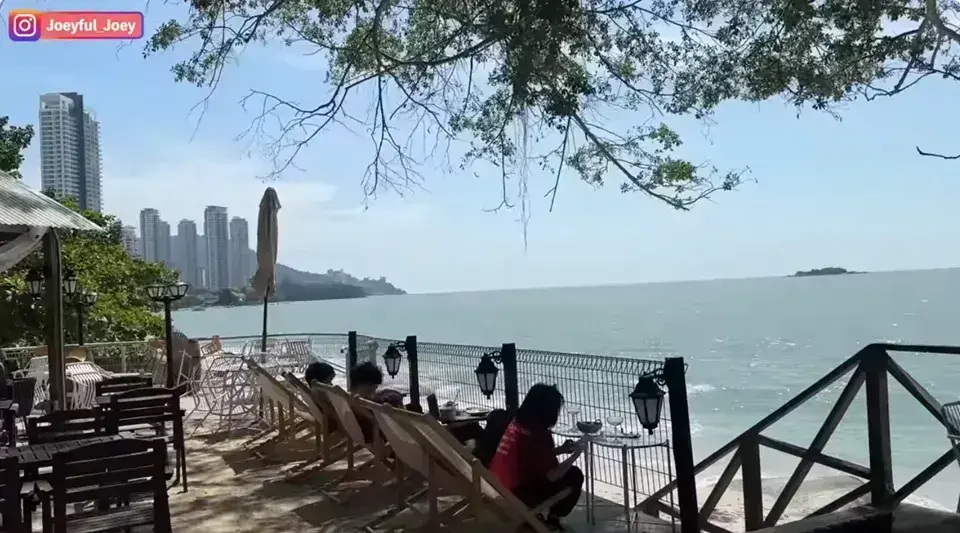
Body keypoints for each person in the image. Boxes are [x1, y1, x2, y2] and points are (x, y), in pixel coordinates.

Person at [490, 384, 585, 531]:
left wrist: (561, 450)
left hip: (501, 484)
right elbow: (552, 475)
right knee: (574, 475)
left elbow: (532, 457)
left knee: (562, 473)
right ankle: (553, 517)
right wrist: (576, 454)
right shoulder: (540, 435)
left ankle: (536, 516)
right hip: (521, 494)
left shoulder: (517, 425)